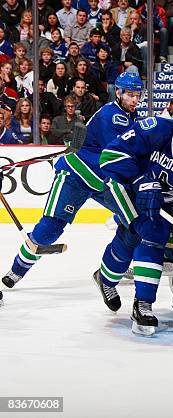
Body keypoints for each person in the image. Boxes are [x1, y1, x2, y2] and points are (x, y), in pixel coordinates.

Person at [1, 73, 143, 294]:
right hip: (76, 175)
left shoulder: (132, 117)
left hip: (102, 180)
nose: (135, 99)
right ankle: (17, 269)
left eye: (138, 95)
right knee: (49, 230)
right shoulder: (111, 115)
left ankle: (116, 265)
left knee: (136, 220)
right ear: (118, 92)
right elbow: (120, 155)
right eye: (130, 95)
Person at [92, 94, 173, 335]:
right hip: (126, 189)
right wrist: (141, 181)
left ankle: (108, 280)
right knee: (146, 230)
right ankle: (141, 303)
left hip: (159, 204)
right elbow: (110, 156)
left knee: (139, 234)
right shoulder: (155, 130)